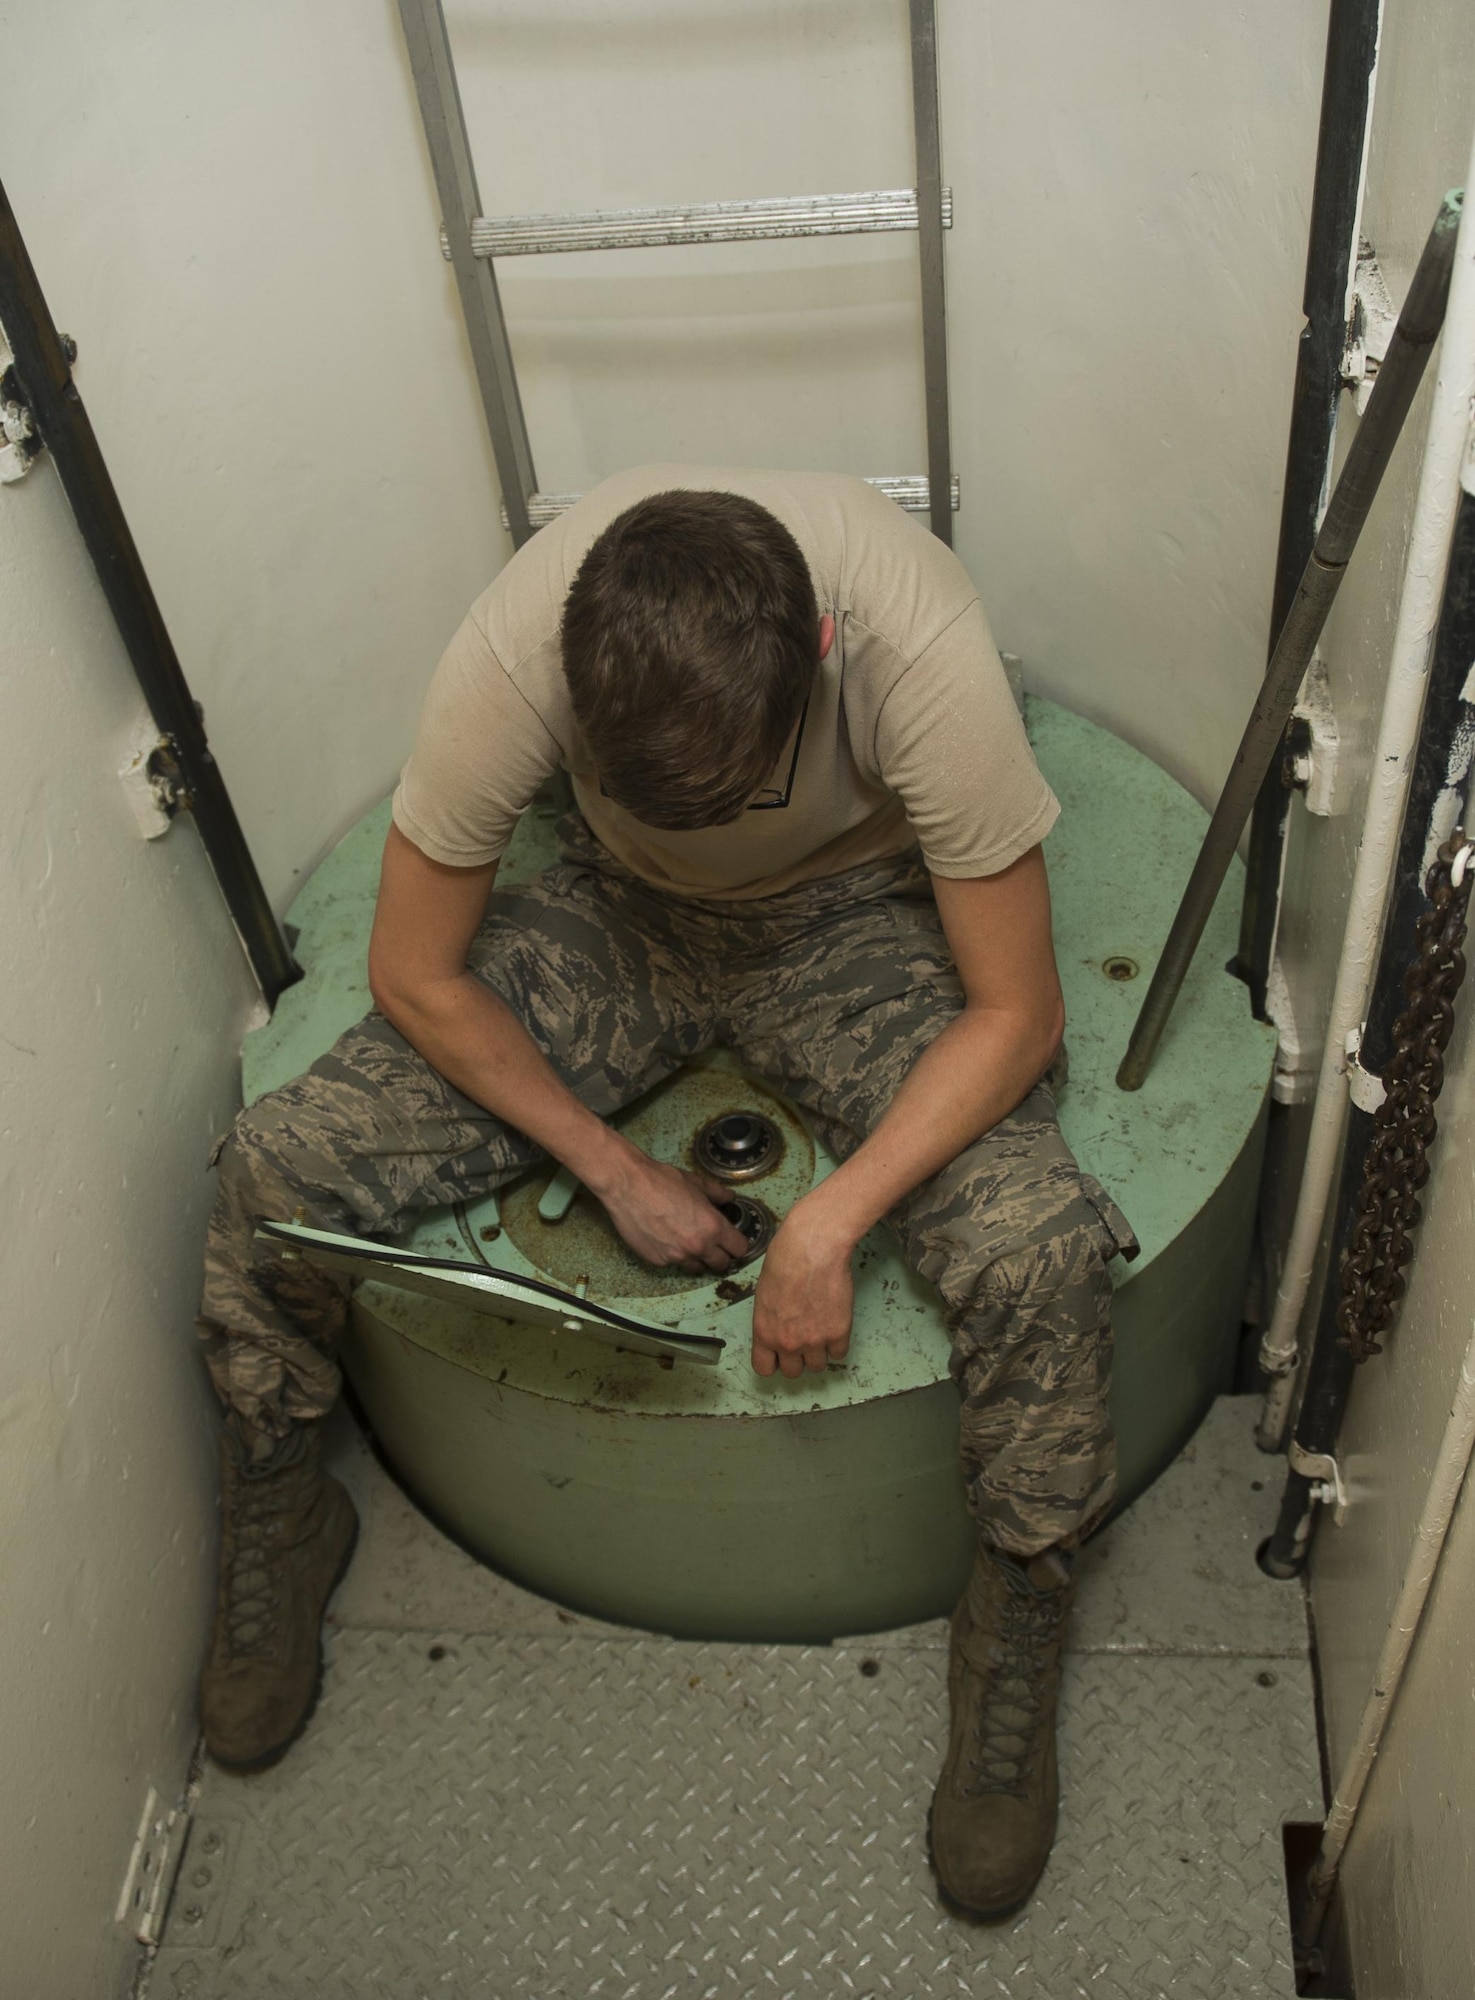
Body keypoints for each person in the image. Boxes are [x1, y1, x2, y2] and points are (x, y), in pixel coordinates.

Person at [194, 465, 1135, 1920]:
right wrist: (611, 1164)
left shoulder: (914, 642)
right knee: (281, 1164)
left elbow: (1017, 1013)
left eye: (741, 784)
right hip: (616, 913)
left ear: (819, 656)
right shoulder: (518, 650)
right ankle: (280, 1496)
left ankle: (1019, 1601)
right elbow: (413, 970)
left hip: (852, 923)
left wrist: (831, 1221)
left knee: (1040, 1248)